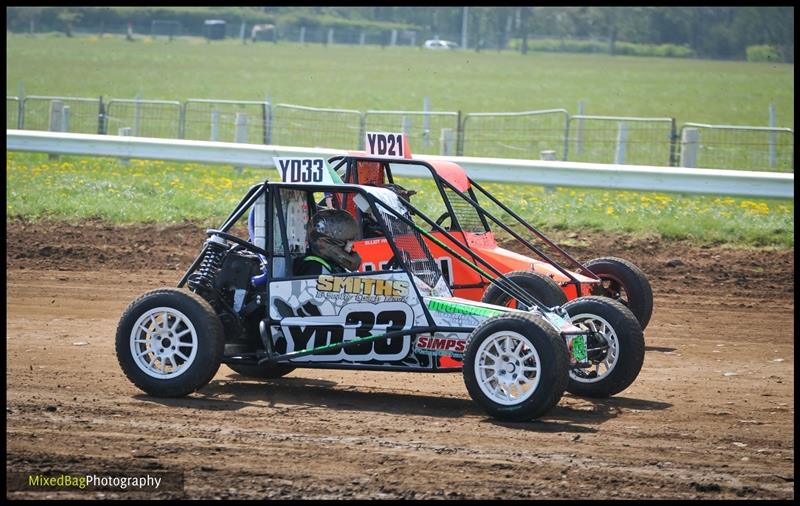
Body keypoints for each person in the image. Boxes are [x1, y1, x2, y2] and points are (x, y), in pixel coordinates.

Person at [295, 209, 362, 276]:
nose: (351, 248)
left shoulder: (332, 263)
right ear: (327, 243)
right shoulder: (315, 268)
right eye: (347, 244)